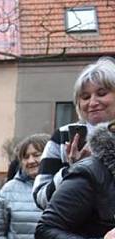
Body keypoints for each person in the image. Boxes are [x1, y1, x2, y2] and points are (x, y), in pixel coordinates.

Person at [33, 57, 115, 209]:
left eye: (102, 93)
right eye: (85, 97)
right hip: (74, 231)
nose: (93, 102)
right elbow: (41, 198)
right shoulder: (63, 136)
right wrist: (74, 170)